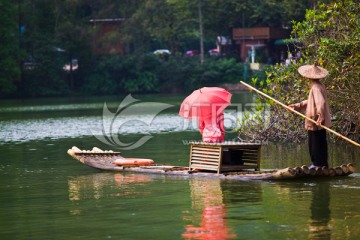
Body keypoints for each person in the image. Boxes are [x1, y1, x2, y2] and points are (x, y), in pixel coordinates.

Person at [288, 63, 332, 168]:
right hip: (318, 120)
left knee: (314, 143)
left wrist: (320, 117)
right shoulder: (319, 86)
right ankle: (322, 164)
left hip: (315, 120)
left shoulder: (315, 88)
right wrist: (297, 106)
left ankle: (317, 165)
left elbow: (320, 103)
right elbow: (311, 101)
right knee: (321, 141)